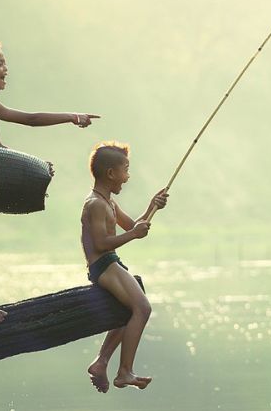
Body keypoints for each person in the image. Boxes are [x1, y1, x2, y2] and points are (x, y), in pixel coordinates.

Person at [0, 40, 99, 325]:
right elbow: (30, 119)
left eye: (4, 62)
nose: (5, 68)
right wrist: (71, 117)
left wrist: (34, 169)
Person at [80, 141, 168, 392]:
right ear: (110, 174)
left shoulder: (109, 202)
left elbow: (133, 226)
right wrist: (134, 235)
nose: (127, 177)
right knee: (142, 307)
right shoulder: (95, 204)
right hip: (103, 264)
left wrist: (153, 207)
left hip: (111, 263)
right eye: (125, 170)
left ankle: (101, 362)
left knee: (127, 310)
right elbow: (100, 244)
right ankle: (124, 372)